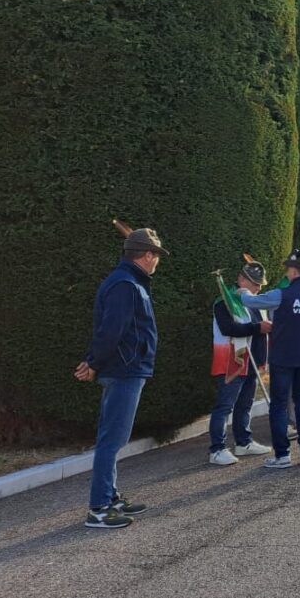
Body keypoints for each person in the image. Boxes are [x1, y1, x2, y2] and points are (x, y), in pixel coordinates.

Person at [75, 223, 167, 529]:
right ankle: (99, 507)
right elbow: (111, 331)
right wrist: (94, 362)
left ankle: (110, 496)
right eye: (157, 255)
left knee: (113, 436)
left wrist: (95, 362)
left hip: (125, 368)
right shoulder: (126, 285)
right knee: (112, 439)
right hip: (124, 370)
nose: (159, 261)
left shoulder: (127, 281)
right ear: (148, 255)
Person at [241, 238, 300, 469]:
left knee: (279, 405)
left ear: (293, 270)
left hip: (283, 357)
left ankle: (282, 455)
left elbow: (252, 302)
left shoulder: (282, 295)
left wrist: (242, 291)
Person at [208, 258, 272, 465]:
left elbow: (258, 328)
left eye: (259, 284)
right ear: (241, 279)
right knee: (225, 406)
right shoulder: (224, 302)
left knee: (245, 405)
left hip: (250, 363)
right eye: (254, 283)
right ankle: (217, 449)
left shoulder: (252, 301)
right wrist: (258, 328)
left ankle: (243, 442)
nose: (258, 287)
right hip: (231, 362)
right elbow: (229, 329)